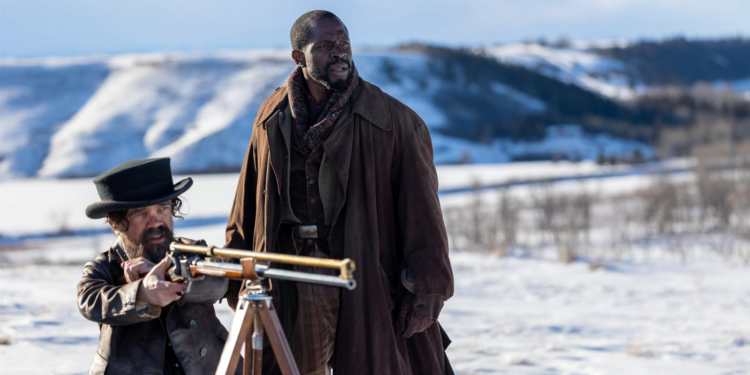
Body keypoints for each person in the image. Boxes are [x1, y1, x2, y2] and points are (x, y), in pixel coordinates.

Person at [224, 10, 454, 375]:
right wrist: (236, 267)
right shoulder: (271, 116)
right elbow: (248, 200)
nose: (339, 53)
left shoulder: (393, 121)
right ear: (299, 57)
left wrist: (428, 289)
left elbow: (424, 214)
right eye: (326, 45)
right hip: (291, 274)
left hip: (367, 276)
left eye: (344, 44)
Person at [77, 158, 235, 375]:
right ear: (115, 224)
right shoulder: (103, 267)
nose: (155, 222)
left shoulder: (193, 250)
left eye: (162, 208)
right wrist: (142, 294)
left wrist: (169, 276)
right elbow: (91, 302)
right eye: (140, 213)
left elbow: (219, 283)